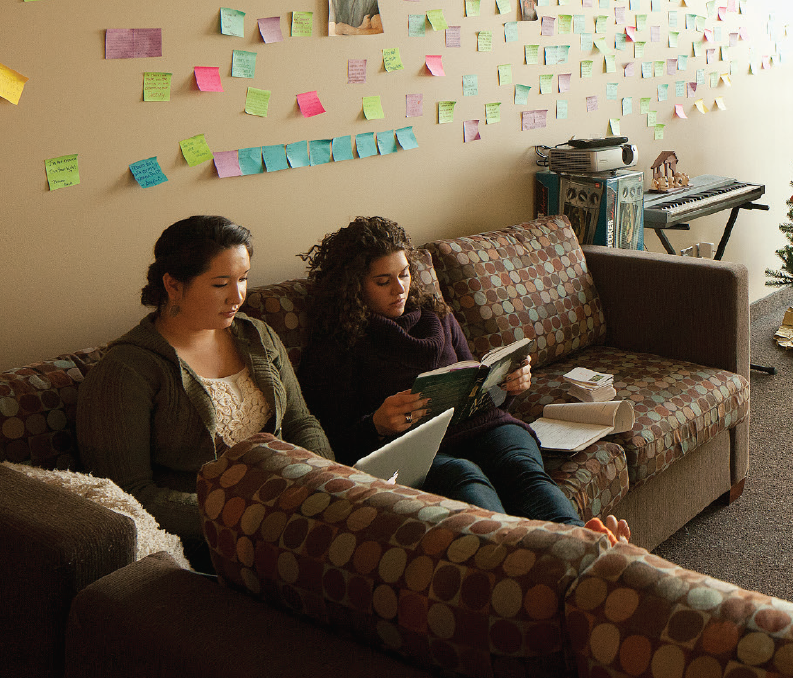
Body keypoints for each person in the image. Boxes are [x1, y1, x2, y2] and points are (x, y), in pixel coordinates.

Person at [297, 216, 628, 543]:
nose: (400, 289)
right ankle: (515, 560)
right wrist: (377, 424)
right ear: (353, 285)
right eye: (383, 282)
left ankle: (587, 547)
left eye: (405, 274)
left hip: (481, 426)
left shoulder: (435, 315)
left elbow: (473, 383)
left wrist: (505, 385)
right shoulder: (335, 345)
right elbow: (329, 442)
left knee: (522, 470)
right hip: (416, 450)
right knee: (465, 479)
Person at [77, 216, 333, 571]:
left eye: (243, 279)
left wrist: (331, 483)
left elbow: (300, 421)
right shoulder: (127, 371)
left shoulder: (257, 335)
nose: (237, 296)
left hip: (288, 507)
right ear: (173, 284)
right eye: (219, 284)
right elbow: (129, 494)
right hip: (206, 539)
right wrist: (250, 517)